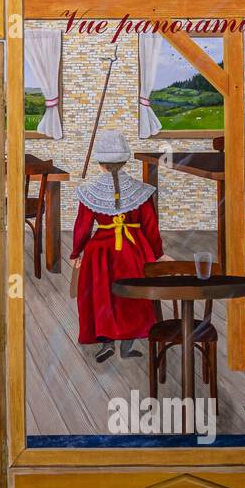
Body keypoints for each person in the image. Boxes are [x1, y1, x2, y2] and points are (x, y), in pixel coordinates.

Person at [69, 130, 168, 363]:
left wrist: (76, 252)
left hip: (100, 252)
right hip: (135, 250)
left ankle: (107, 342)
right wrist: (157, 254)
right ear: (124, 161)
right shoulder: (141, 190)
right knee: (131, 295)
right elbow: (151, 227)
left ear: (100, 163)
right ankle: (128, 343)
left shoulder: (89, 191)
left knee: (102, 294)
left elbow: (82, 226)